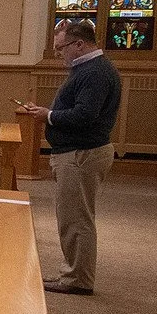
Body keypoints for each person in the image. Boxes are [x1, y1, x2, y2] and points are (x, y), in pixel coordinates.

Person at [19, 17, 122, 295]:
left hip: (81, 154)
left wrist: (48, 115)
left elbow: (85, 115)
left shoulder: (95, 72)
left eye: (61, 48)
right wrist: (47, 113)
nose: (59, 54)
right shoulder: (89, 69)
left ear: (79, 44)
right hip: (78, 152)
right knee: (73, 217)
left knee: (76, 219)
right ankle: (74, 273)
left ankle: (77, 278)